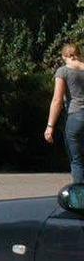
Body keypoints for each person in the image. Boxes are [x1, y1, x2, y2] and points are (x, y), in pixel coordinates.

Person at [47, 42, 84, 184]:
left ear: (64, 56)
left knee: (77, 161)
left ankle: (80, 201)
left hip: (76, 118)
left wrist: (50, 126)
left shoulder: (63, 71)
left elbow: (57, 100)